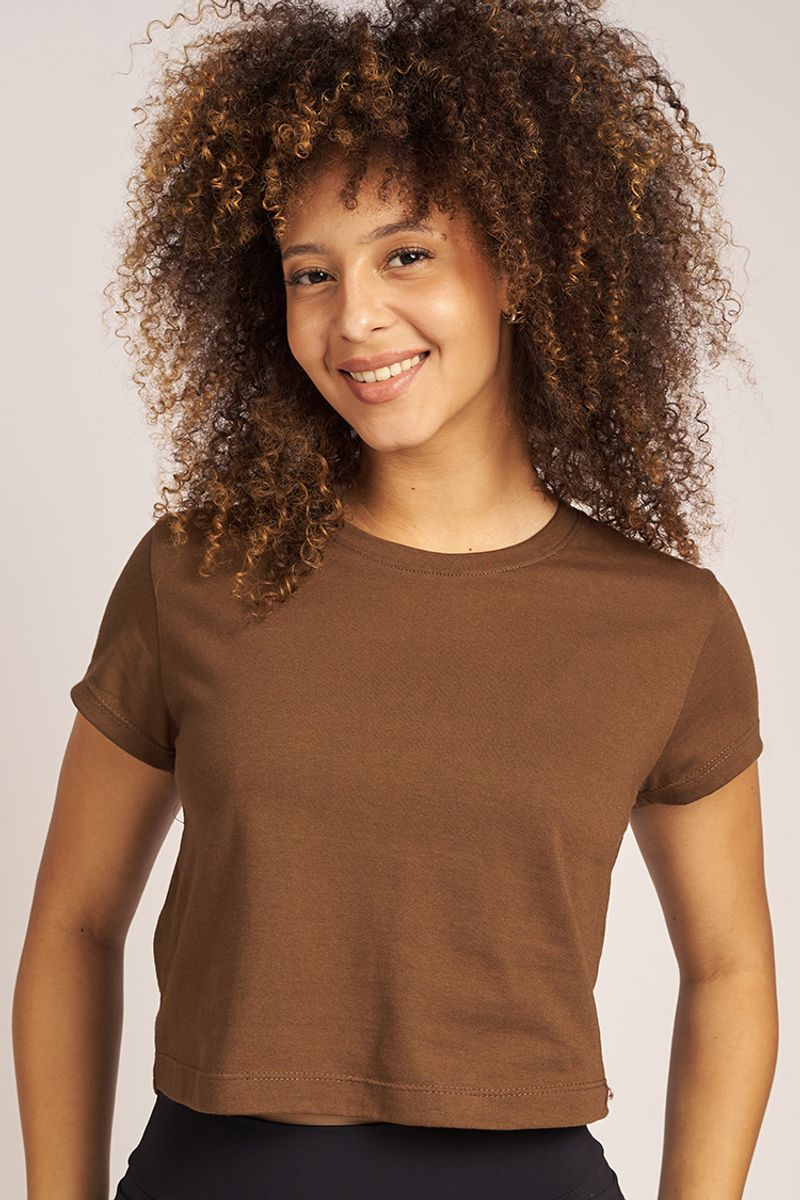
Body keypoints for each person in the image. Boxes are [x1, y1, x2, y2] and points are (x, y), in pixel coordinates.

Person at [13, 1, 778, 1198]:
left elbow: (728, 971)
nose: (354, 318)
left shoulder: (667, 625)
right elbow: (72, 925)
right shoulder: (193, 573)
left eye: (405, 255)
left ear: (517, 263)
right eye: (310, 274)